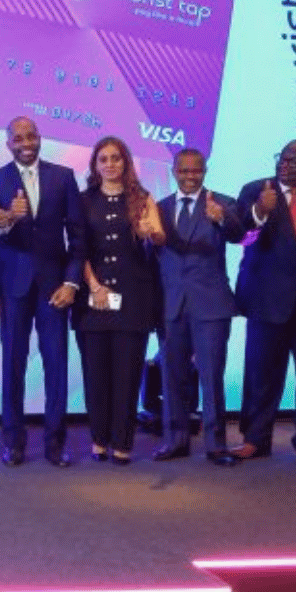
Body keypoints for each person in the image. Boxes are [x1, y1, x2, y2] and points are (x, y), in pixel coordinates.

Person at [0, 116, 86, 467]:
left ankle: (56, 444)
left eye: (31, 136)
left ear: (39, 138)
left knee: (56, 364)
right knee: (13, 364)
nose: (26, 143)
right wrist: (6, 220)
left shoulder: (63, 177)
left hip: (55, 287)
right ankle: (13, 443)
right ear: (8, 143)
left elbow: (77, 236)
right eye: (19, 138)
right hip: (13, 285)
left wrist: (72, 282)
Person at [72, 137, 163, 464]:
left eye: (116, 158)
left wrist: (150, 233)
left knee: (127, 373)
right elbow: (77, 249)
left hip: (133, 298)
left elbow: (159, 237)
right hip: (94, 297)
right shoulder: (82, 201)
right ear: (95, 165)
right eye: (104, 159)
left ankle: (123, 442)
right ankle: (99, 439)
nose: (110, 164)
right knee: (95, 372)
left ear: (126, 162)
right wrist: (94, 286)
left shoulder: (142, 198)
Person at [150, 149, 244, 466]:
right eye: (184, 171)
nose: (190, 176)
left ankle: (216, 445)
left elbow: (238, 234)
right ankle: (175, 440)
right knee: (172, 377)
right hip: (171, 304)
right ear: (174, 171)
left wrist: (222, 218)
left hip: (211, 305)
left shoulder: (222, 203)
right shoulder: (158, 209)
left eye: (197, 171)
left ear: (205, 171)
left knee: (211, 376)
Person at [231, 139, 296, 466]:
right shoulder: (256, 190)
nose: (284, 166)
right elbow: (237, 233)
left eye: (293, 162)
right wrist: (260, 212)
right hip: (266, 299)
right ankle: (255, 439)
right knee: (261, 373)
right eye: (282, 159)